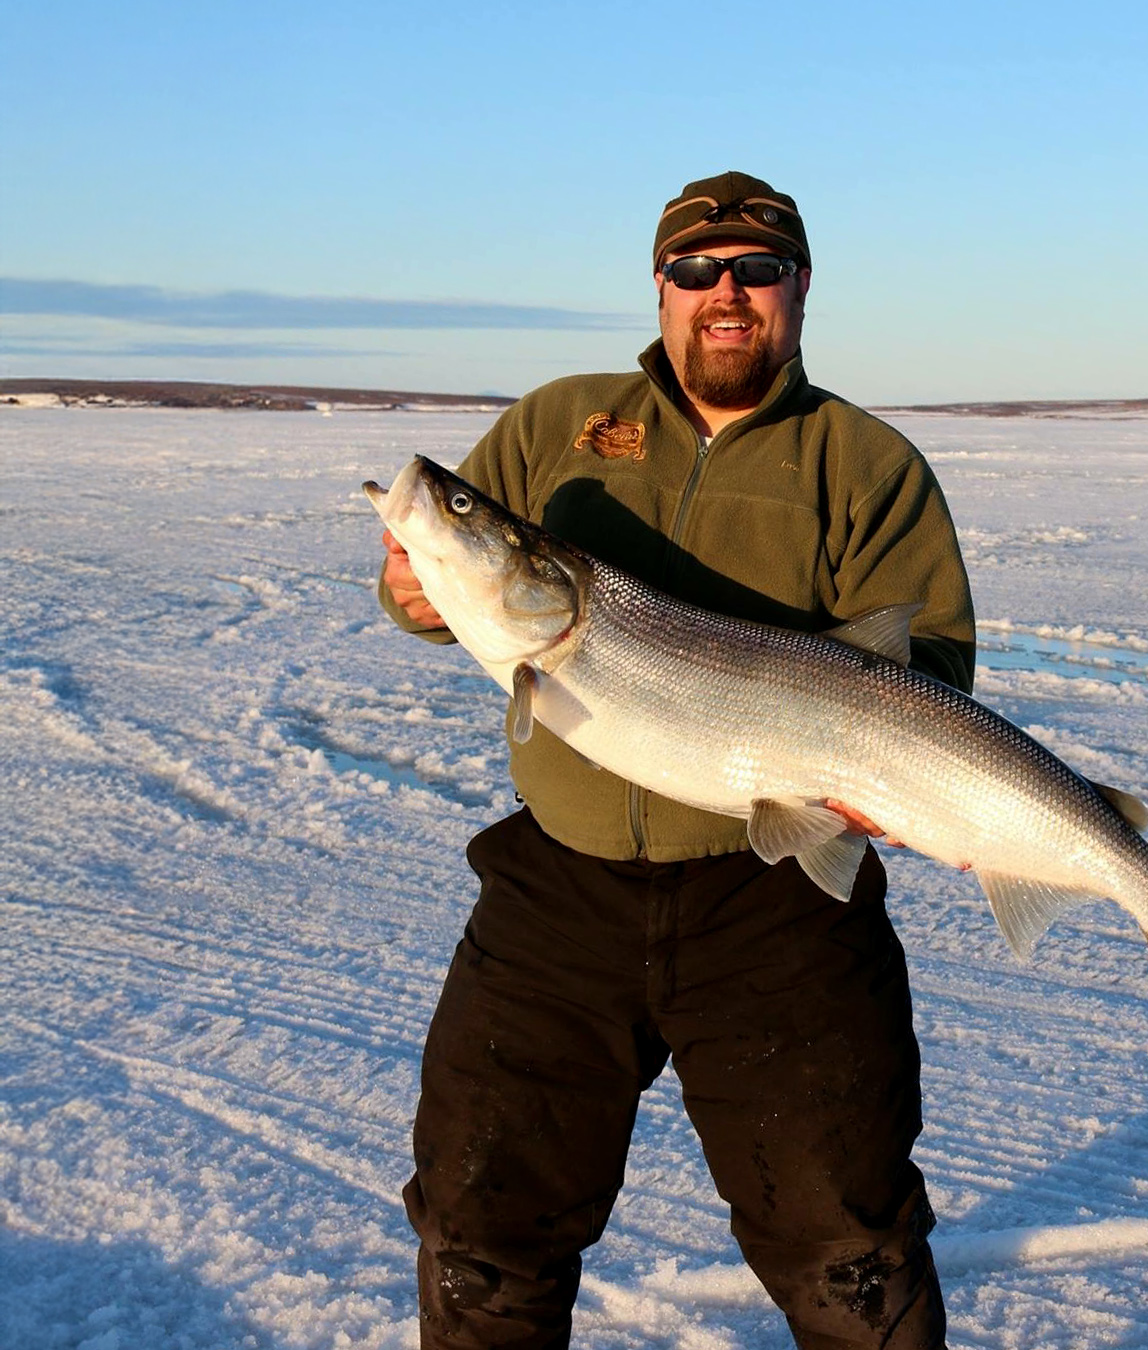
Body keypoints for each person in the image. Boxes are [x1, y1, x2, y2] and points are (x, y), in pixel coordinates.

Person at [378, 170, 974, 1350]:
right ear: (659, 288)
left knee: (850, 1252)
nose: (725, 295)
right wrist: (415, 582)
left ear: (798, 288)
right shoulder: (560, 421)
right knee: (482, 1231)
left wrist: (900, 778)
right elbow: (451, 566)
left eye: (755, 270)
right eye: (695, 271)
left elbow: (931, 666)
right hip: (560, 890)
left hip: (773, 910)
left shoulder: (861, 463)